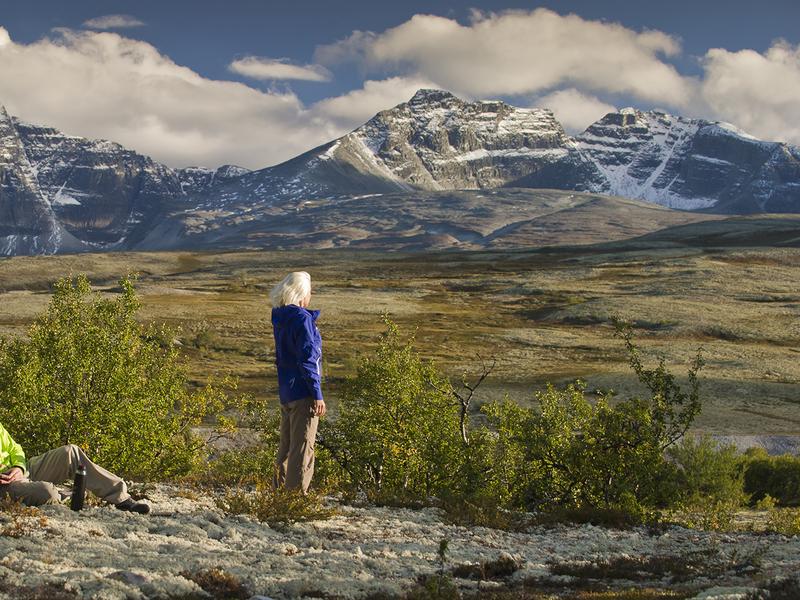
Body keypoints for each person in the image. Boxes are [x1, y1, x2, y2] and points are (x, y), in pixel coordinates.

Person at [0, 422, 150, 514]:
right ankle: (71, 495)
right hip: (4, 485)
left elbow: (15, 449)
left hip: (21, 470)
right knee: (47, 492)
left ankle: (121, 498)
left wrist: (18, 467)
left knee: (70, 452)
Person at [270, 271, 326, 493]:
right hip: (303, 392)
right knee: (302, 448)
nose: (311, 295)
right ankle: (294, 500)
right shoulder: (302, 319)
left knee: (286, 447)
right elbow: (308, 359)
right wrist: (317, 394)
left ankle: (278, 496)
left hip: (286, 390)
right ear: (303, 293)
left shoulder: (280, 317)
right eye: (310, 291)